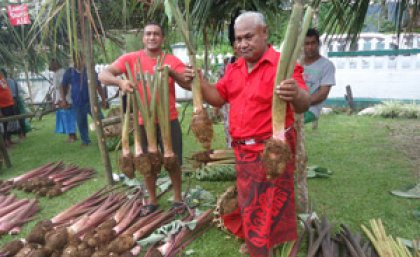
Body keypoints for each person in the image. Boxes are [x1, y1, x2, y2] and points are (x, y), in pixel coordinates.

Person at [184, 12, 310, 257]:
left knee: (273, 199)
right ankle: (258, 239)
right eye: (238, 38)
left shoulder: (281, 64)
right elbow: (218, 98)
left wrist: (295, 92)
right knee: (251, 199)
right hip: (243, 149)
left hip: (272, 149)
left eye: (248, 37)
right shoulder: (235, 68)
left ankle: (263, 244)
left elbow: (303, 104)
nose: (242, 43)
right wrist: (199, 82)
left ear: (265, 32)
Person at [99, 22, 192, 213]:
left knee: (173, 161)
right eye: (148, 34)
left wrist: (171, 72)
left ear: (162, 38)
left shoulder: (171, 60)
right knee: (146, 163)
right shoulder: (130, 59)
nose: (152, 37)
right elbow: (103, 75)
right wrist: (120, 81)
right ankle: (152, 200)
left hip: (169, 120)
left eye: (156, 34)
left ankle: (177, 198)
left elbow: (188, 83)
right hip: (142, 122)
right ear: (143, 38)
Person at [61, 54, 107, 146]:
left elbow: (98, 86)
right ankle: (85, 141)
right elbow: (63, 86)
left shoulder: (90, 71)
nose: (77, 62)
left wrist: (103, 99)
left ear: (83, 60)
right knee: (81, 123)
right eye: (75, 59)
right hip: (78, 103)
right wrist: (63, 100)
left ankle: (107, 135)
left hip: (92, 102)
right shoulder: (70, 72)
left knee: (100, 119)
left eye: (79, 59)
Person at [302, 28, 336, 123]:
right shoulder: (296, 63)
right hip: (292, 108)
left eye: (313, 43)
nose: (310, 47)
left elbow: (322, 94)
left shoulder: (327, 65)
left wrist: (301, 104)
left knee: (286, 125)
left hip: (310, 110)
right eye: (307, 44)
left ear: (318, 44)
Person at [49, 59, 77, 143]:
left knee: (68, 118)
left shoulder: (60, 73)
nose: (50, 67)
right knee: (68, 117)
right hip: (65, 98)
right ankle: (73, 136)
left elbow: (64, 86)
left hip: (65, 99)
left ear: (55, 65)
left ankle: (72, 137)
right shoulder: (60, 73)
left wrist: (63, 100)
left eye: (51, 65)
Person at [0, 69, 17, 147]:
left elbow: (6, 89)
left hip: (9, 103)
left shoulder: (2, 78)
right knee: (5, 123)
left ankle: (9, 139)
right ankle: (4, 142)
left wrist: (12, 99)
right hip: (3, 106)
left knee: (11, 121)